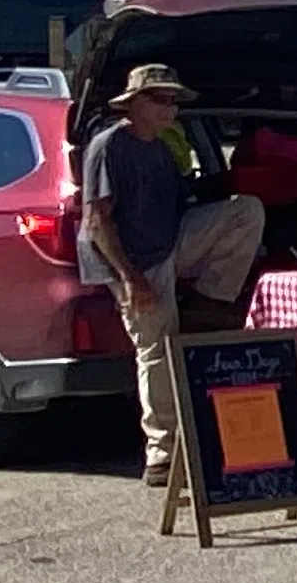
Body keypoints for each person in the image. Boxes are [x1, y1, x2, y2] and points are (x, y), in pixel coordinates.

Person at [77, 64, 267, 489]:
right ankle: (161, 454)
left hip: (168, 243)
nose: (169, 107)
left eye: (173, 99)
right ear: (134, 104)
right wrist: (131, 280)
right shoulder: (108, 146)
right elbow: (97, 222)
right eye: (159, 98)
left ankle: (207, 305)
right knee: (157, 349)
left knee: (246, 211)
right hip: (130, 260)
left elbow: (186, 204)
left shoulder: (161, 149)